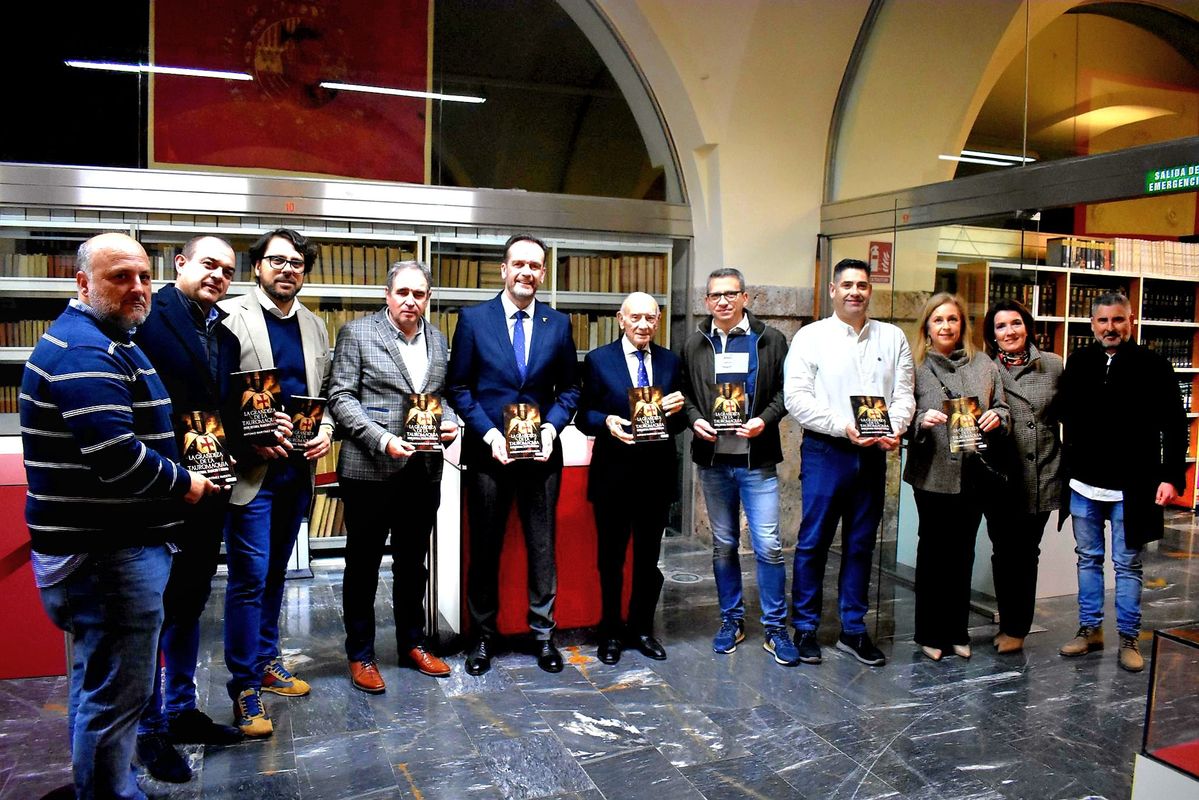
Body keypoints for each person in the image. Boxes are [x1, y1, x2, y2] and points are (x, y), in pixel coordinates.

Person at [21, 232, 220, 800]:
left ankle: (98, 785)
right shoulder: (85, 351)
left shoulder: (109, 338)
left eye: (141, 275)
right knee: (116, 699)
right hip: (108, 556)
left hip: (105, 551)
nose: (137, 287)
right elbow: (117, 458)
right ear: (82, 283)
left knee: (96, 684)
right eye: (119, 277)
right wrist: (186, 484)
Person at [132, 236, 244, 782]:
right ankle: (148, 729)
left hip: (210, 486)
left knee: (190, 602)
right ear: (179, 263)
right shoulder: (148, 318)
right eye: (208, 264)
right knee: (153, 609)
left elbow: (224, 408)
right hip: (160, 487)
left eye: (226, 270)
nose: (218, 275)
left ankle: (181, 709)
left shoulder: (222, 331)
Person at [445, 233, 580, 676]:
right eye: (518, 263)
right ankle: (482, 638)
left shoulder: (557, 325)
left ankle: (543, 635)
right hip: (488, 456)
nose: (526, 272)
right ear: (503, 269)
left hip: (541, 458)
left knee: (542, 548)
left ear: (543, 273)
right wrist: (487, 434)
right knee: (484, 549)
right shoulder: (473, 320)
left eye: (535, 266)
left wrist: (551, 426)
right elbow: (459, 388)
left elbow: (571, 388)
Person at [219, 227, 334, 736]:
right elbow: (218, 397)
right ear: (258, 267)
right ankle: (243, 686)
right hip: (251, 472)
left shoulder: (315, 325)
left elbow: (326, 392)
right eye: (278, 261)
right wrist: (247, 440)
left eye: (297, 263)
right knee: (247, 578)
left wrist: (326, 430)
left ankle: (266, 660)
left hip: (297, 471)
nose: (288, 270)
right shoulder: (229, 318)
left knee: (274, 575)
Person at [328, 260, 459, 693]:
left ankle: (412, 645)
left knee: (412, 564)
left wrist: (452, 422)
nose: (411, 301)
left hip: (423, 469)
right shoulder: (357, 333)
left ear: (427, 298)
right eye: (403, 292)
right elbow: (341, 397)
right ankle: (361, 655)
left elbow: (441, 398)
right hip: (370, 468)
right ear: (388, 295)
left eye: (419, 294)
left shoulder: (438, 340)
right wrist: (381, 438)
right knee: (362, 565)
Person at [783, 257, 915, 666]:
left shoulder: (892, 338)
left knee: (861, 544)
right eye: (848, 285)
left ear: (869, 290)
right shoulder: (811, 337)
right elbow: (796, 399)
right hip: (828, 451)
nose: (855, 291)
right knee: (813, 542)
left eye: (862, 284)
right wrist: (844, 427)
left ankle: (853, 630)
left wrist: (895, 426)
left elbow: (905, 392)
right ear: (833, 290)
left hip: (873, 455)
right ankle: (804, 628)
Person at [1057, 292, 1186, 672]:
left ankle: (1129, 638)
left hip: (1134, 485)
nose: (1110, 328)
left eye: (1117, 320)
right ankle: (1089, 630)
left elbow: (1175, 427)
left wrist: (1171, 477)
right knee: (1087, 559)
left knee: (1128, 564)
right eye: (1103, 321)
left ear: (1130, 320)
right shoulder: (1078, 362)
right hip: (1083, 484)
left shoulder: (1153, 365)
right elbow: (1064, 410)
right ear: (1092, 325)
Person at [680, 268, 796, 665]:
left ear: (746, 297)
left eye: (731, 294)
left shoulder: (770, 339)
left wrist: (764, 419)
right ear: (707, 301)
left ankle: (777, 628)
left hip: (756, 459)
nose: (723, 301)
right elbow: (685, 394)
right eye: (715, 295)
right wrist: (694, 419)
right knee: (724, 544)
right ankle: (731, 621)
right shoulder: (695, 342)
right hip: (713, 461)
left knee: (768, 545)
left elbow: (787, 391)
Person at [576, 292, 686, 664]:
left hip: (655, 476)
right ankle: (610, 630)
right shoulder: (598, 360)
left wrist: (677, 411)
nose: (643, 325)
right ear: (621, 319)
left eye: (651, 319)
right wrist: (606, 422)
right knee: (610, 559)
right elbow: (582, 415)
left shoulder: (671, 361)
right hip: (613, 476)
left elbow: (681, 421)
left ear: (658, 321)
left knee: (648, 558)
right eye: (635, 318)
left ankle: (641, 627)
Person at [903, 292, 1008, 662]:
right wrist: (919, 421)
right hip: (931, 474)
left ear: (963, 324)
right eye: (938, 320)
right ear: (927, 327)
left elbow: (1002, 408)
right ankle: (930, 634)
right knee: (933, 554)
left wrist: (999, 418)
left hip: (974, 474)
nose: (946, 326)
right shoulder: (913, 368)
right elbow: (900, 419)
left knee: (963, 553)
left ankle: (957, 631)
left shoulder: (985, 366)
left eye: (952, 319)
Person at [980, 299, 1063, 655]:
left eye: (1015, 323)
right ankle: (1009, 614)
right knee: (1002, 551)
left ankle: (1017, 628)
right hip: (1000, 477)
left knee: (1026, 552)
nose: (1009, 331)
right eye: (1001, 326)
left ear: (1027, 326)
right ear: (992, 334)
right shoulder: (983, 368)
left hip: (1042, 473)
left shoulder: (1054, 365)